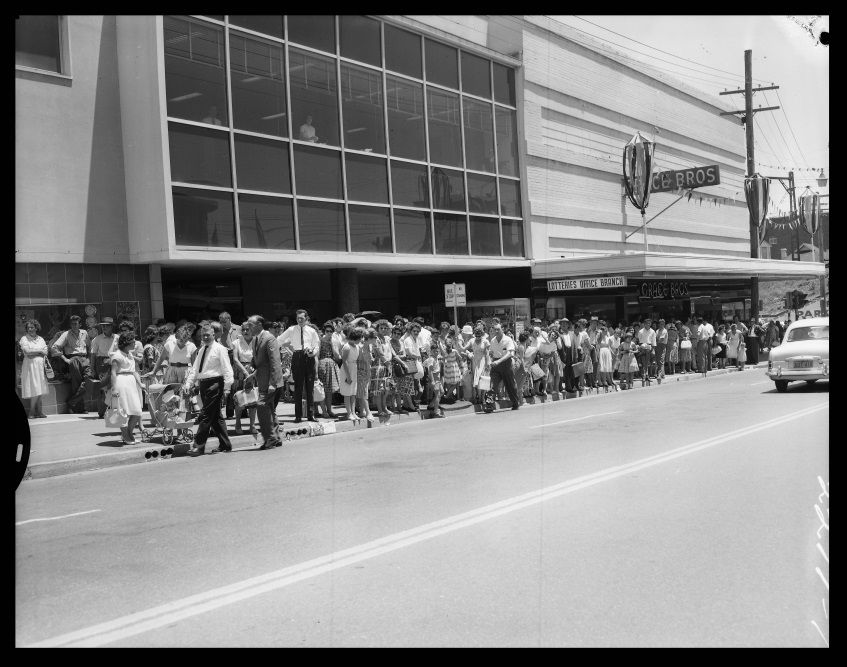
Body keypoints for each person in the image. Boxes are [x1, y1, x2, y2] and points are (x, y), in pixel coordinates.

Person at [182, 323, 234, 454]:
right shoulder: (201, 350)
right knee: (215, 416)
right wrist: (188, 383)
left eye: (207, 335)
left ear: (213, 335)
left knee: (205, 415)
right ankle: (225, 445)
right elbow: (195, 368)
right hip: (204, 384)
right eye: (202, 335)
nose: (205, 337)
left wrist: (227, 387)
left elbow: (227, 368)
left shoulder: (220, 349)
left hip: (215, 383)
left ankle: (199, 446)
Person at [243, 315, 282, 449]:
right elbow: (258, 360)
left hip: (271, 382)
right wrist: (252, 367)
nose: (248, 328)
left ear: (259, 324)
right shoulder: (255, 339)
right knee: (270, 409)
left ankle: (270, 439)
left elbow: (275, 362)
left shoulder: (269, 338)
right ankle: (276, 437)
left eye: (251, 325)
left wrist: (273, 383)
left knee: (261, 406)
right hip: (262, 380)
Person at [278, 309, 321, 423]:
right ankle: (298, 415)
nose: (299, 320)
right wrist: (283, 348)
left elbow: (316, 345)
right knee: (298, 388)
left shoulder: (311, 331)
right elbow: (279, 339)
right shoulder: (291, 329)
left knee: (310, 388)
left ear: (306, 318)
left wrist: (313, 352)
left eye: (302, 318)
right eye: (298, 318)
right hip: (297, 356)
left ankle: (311, 415)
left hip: (309, 357)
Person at [109, 331, 145, 445]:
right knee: (122, 411)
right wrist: (114, 389)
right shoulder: (117, 355)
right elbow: (113, 373)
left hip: (131, 384)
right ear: (126, 343)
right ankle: (126, 436)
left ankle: (129, 433)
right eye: (133, 342)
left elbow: (134, 371)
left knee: (136, 411)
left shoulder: (130, 355)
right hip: (121, 383)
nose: (135, 344)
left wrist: (140, 383)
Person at [51, 314, 92, 413]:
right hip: (73, 358)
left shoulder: (84, 332)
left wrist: (89, 359)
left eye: (76, 324)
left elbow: (89, 347)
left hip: (84, 358)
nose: (73, 326)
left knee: (89, 380)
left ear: (80, 324)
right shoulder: (66, 334)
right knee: (76, 384)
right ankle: (80, 408)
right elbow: (54, 347)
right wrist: (66, 359)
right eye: (72, 324)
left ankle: (71, 402)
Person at [230, 321, 258, 436]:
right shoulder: (236, 342)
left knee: (253, 400)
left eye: (248, 329)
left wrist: (253, 371)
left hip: (254, 372)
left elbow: (259, 358)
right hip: (240, 372)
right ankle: (238, 423)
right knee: (240, 399)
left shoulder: (257, 342)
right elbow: (235, 359)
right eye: (244, 329)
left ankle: (252, 425)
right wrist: (246, 373)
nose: (245, 332)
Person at [20, 318, 49, 418]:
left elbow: (46, 352)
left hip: (40, 367)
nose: (30, 329)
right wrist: (39, 351)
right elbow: (27, 352)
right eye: (28, 328)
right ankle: (32, 412)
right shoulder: (24, 339)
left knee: (40, 388)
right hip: (30, 367)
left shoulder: (41, 339)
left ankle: (39, 412)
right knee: (34, 388)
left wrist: (36, 352)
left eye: (32, 327)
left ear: (36, 328)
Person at [90, 317, 118, 418]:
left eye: (106, 326)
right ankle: (101, 411)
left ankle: (112, 410)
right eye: (103, 326)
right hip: (102, 364)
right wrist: (92, 369)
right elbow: (93, 354)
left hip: (115, 363)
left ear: (111, 327)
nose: (104, 328)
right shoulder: (97, 339)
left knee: (114, 387)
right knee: (103, 388)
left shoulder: (117, 338)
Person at [488, 323, 520, 410]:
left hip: (506, 364)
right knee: (492, 385)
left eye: (498, 329)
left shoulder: (508, 340)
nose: (497, 331)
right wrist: (491, 361)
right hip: (495, 365)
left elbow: (510, 353)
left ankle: (515, 403)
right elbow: (491, 352)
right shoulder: (493, 340)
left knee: (510, 385)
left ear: (502, 329)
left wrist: (499, 361)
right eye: (495, 329)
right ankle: (489, 405)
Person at [388, 324, 416, 413]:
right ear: (392, 333)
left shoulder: (401, 342)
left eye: (399, 333)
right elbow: (394, 356)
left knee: (400, 389)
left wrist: (401, 359)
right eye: (395, 333)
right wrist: (402, 362)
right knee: (394, 389)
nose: (397, 335)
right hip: (393, 367)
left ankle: (400, 408)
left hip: (401, 367)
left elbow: (404, 354)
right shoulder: (389, 342)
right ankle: (393, 408)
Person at [370, 319, 394, 417]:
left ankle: (385, 407)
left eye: (385, 328)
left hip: (387, 365)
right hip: (379, 366)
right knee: (379, 390)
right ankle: (380, 410)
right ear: (378, 329)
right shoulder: (376, 339)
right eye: (381, 328)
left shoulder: (387, 339)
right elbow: (379, 353)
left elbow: (391, 352)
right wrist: (387, 363)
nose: (383, 329)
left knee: (386, 389)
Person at [317, 321, 340, 418]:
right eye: (327, 331)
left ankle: (329, 410)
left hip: (331, 364)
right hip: (322, 364)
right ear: (324, 331)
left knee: (329, 390)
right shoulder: (320, 341)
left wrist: (333, 345)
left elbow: (337, 356)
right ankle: (323, 410)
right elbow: (317, 355)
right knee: (322, 389)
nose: (329, 333)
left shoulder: (334, 341)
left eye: (331, 331)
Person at [339, 326, 362, 423]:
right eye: (359, 339)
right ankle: (349, 413)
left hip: (354, 368)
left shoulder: (357, 346)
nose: (360, 340)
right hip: (347, 369)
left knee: (353, 393)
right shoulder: (347, 347)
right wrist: (348, 376)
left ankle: (353, 412)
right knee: (347, 393)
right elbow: (344, 361)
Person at [463, 326, 491, 404]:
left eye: (479, 335)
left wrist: (488, 362)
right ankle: (478, 396)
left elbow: (487, 353)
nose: (478, 337)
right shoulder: (472, 340)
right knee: (476, 380)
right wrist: (469, 354)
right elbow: (464, 349)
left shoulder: (485, 341)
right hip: (475, 361)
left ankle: (483, 397)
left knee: (484, 379)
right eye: (476, 335)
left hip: (483, 361)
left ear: (482, 334)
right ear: (474, 334)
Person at [356, 329, 377, 423]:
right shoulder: (360, 347)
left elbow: (369, 358)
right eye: (375, 337)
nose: (376, 339)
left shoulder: (369, 346)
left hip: (367, 371)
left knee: (362, 392)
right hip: (360, 371)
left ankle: (362, 411)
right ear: (370, 338)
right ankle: (368, 412)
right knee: (364, 393)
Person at [423, 341, 445, 418]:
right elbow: (430, 371)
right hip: (434, 379)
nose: (436, 352)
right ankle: (436, 411)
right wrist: (432, 381)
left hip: (438, 379)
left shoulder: (436, 358)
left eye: (437, 351)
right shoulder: (431, 359)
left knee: (442, 392)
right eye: (434, 351)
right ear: (431, 351)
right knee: (438, 395)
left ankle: (431, 405)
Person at [635, 318, 656, 386]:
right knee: (644, 362)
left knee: (647, 362)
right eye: (647, 323)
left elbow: (653, 341)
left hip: (649, 347)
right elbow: (639, 340)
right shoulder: (641, 331)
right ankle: (645, 375)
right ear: (644, 324)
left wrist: (653, 349)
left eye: (649, 323)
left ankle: (645, 375)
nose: (648, 324)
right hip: (642, 347)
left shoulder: (652, 331)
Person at [596, 326, 616, 392]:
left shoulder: (608, 338)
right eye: (603, 330)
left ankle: (604, 381)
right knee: (601, 366)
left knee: (606, 367)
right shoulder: (599, 338)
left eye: (606, 330)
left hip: (607, 352)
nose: (605, 332)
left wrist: (612, 353)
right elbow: (598, 346)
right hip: (601, 352)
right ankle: (600, 381)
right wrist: (598, 353)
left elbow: (609, 346)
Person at [654, 319, 667, 384]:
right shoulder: (657, 331)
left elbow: (661, 340)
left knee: (661, 360)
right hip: (657, 346)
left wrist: (655, 342)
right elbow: (656, 338)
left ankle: (659, 374)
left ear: (664, 324)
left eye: (662, 324)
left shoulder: (664, 331)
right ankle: (662, 374)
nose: (661, 325)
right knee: (658, 360)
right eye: (660, 324)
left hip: (662, 346)